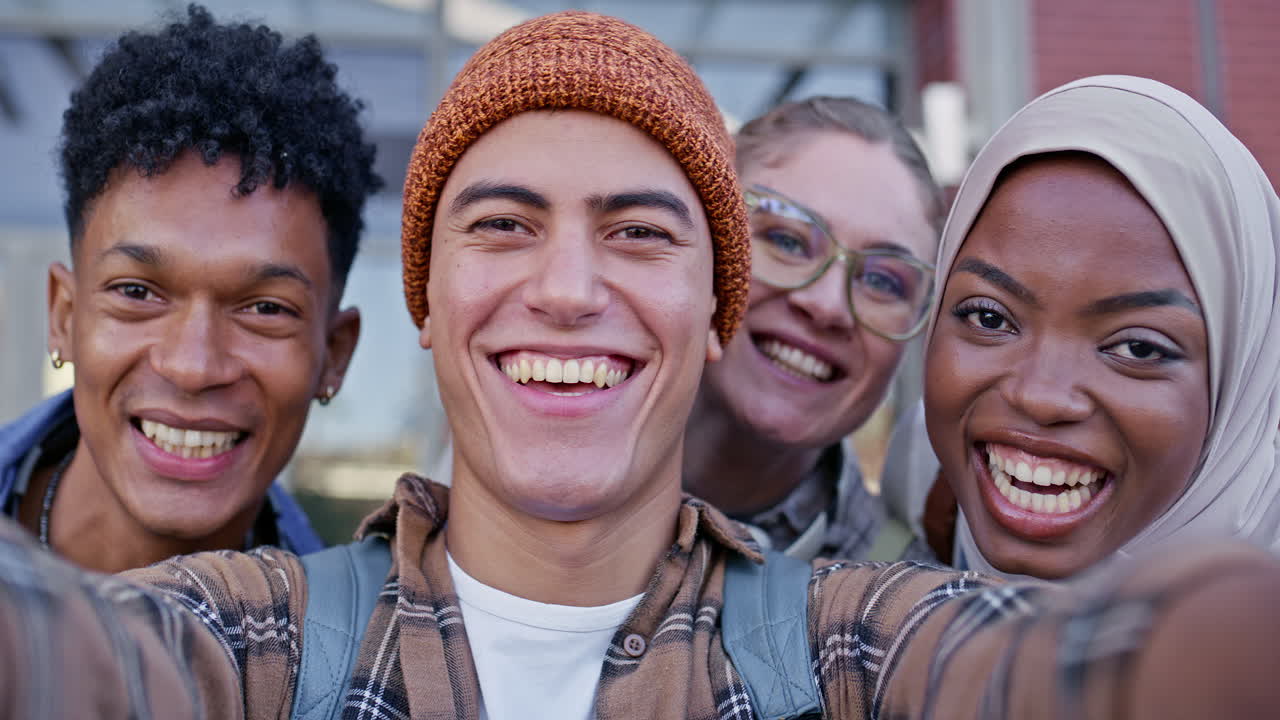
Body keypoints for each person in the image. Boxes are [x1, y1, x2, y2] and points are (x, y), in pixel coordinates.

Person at [3, 17, 1280, 720]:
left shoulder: (847, 633)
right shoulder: (256, 627)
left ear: (713, 313)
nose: (566, 290)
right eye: (502, 224)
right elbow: (96, 661)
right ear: (423, 309)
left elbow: (1046, 664)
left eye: (637, 231)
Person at [0, 4, 380, 571]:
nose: (194, 366)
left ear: (335, 354)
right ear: (64, 316)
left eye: (266, 308)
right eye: (137, 292)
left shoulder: (350, 652)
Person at [923, 75, 1280, 579]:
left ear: (1242, 381)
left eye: (1137, 347)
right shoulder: (914, 507)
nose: (1042, 398)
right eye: (989, 317)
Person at [682, 97, 944, 561]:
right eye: (786, 240)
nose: (826, 306)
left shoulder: (905, 602)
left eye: (883, 281)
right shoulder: (526, 497)